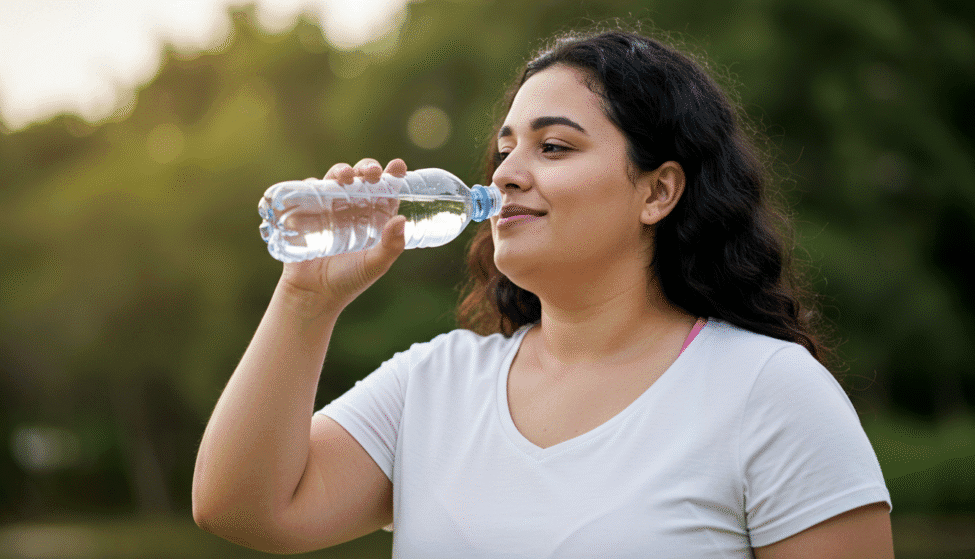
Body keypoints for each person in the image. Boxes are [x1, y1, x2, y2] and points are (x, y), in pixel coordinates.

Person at [192, 28, 893, 558]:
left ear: (658, 190)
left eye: (553, 147)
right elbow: (242, 505)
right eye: (505, 149)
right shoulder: (432, 385)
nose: (505, 176)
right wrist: (306, 301)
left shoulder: (769, 393)